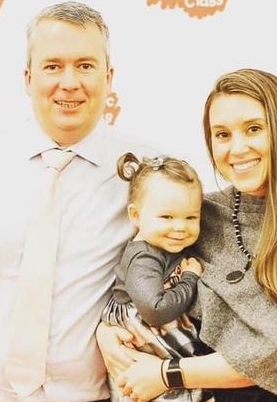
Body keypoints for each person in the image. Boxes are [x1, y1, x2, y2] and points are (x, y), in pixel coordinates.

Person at [0, 2, 156, 402]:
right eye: (53, 66)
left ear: (109, 78)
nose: (69, 83)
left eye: (85, 66)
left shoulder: (148, 175)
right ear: (28, 77)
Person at [97, 68, 277, 402]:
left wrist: (167, 374)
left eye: (253, 129)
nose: (237, 149)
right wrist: (106, 332)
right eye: (222, 134)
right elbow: (143, 286)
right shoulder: (199, 217)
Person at [102, 153, 207, 402]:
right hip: (148, 338)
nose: (180, 227)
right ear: (135, 215)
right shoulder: (144, 258)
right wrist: (190, 278)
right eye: (167, 217)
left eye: (191, 217)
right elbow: (156, 311)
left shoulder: (164, 244)